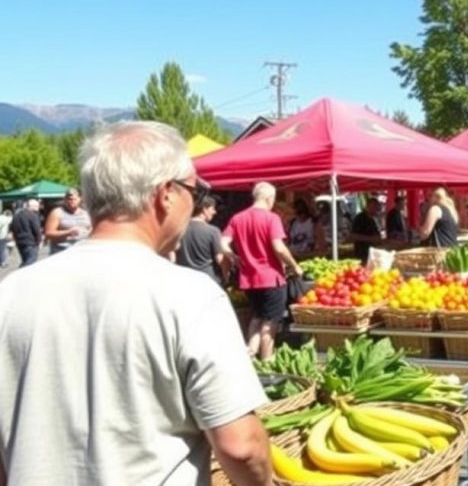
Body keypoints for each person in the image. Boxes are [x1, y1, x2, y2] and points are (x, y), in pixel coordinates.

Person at [0, 121, 271, 485]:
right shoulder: (191, 296)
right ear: (166, 194)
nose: (197, 201)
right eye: (195, 190)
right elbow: (242, 447)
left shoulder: (12, 291)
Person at [222, 181, 303, 361]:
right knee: (270, 323)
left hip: (249, 279)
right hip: (271, 278)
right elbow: (279, 247)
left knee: (257, 318)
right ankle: (266, 362)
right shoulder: (271, 218)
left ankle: (249, 358)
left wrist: (232, 255)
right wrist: (295, 266)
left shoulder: (237, 218)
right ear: (269, 198)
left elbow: (223, 242)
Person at [175, 195, 228, 284]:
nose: (214, 212)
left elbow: (171, 254)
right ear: (204, 209)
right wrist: (226, 274)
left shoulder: (179, 229)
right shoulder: (213, 231)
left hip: (183, 279)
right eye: (212, 209)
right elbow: (220, 259)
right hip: (207, 279)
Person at [43, 187, 92, 254]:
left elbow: (91, 229)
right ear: (65, 200)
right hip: (61, 251)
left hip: (81, 251)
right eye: (69, 199)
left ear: (80, 199)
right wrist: (68, 232)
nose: (71, 201)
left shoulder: (85, 213)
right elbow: (48, 233)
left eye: (74, 199)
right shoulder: (57, 212)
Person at [10, 199, 43, 268]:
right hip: (30, 242)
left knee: (25, 260)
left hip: (20, 242)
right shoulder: (32, 215)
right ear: (32, 206)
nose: (38, 208)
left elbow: (13, 229)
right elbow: (37, 230)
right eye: (37, 206)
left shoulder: (16, 216)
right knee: (30, 263)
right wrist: (39, 241)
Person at [350, 197, 384, 264]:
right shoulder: (359, 218)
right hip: (362, 253)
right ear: (368, 206)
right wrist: (371, 239)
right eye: (374, 207)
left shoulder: (373, 218)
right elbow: (353, 236)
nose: (376, 210)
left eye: (377, 208)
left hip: (372, 252)